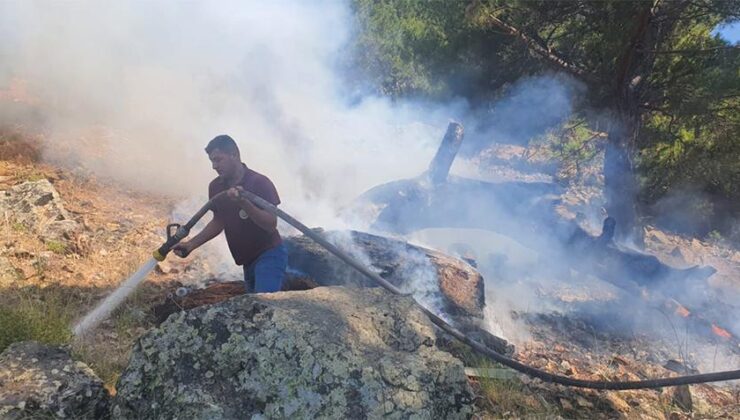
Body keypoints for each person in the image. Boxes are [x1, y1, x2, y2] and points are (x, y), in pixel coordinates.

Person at [172, 135, 287, 293]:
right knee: (254, 310)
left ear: (234, 155)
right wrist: (191, 244)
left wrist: (244, 203)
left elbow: (270, 224)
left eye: (218, 160)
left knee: (264, 305)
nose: (214, 166)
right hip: (247, 261)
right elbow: (218, 222)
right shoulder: (216, 187)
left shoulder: (259, 182)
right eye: (212, 161)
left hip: (269, 255)